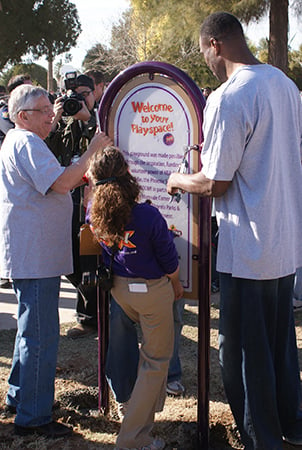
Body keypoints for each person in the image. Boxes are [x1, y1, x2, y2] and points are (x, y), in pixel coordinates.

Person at [167, 11, 302, 450]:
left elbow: (215, 182)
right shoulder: (284, 84)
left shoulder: (230, 96)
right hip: (283, 243)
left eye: (203, 50)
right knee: (280, 346)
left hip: (248, 248)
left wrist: (176, 180)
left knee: (244, 351)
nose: (205, 59)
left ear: (216, 44)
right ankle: (291, 422)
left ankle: (262, 438)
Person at [0, 84, 111, 438]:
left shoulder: (22, 141)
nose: (53, 116)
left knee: (30, 332)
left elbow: (58, 180)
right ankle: (33, 418)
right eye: (45, 111)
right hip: (35, 257)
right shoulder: (27, 143)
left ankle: (20, 399)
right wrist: (93, 150)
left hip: (33, 254)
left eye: (51, 109)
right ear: (23, 117)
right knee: (41, 336)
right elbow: (61, 183)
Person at [87, 146, 183, 450]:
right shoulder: (147, 214)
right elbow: (169, 260)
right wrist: (177, 286)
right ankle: (133, 438)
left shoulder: (95, 213)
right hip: (152, 292)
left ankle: (140, 416)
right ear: (128, 174)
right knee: (155, 363)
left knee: (149, 362)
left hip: (120, 290)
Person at [47, 73, 101, 338]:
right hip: (69, 199)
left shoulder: (103, 117)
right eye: (75, 95)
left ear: (94, 93)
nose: (80, 100)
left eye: (85, 94)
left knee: (90, 257)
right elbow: (45, 149)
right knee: (71, 257)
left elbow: (108, 146)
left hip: (95, 198)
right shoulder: (65, 122)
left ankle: (90, 318)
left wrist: (88, 120)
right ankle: (95, 308)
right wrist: (56, 118)